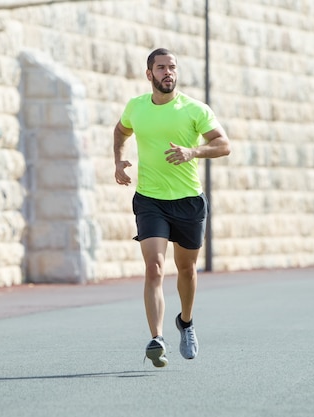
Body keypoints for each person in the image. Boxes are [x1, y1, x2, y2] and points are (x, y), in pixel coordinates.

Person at [113, 48, 231, 367]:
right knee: (154, 268)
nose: (168, 72)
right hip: (150, 200)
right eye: (161, 67)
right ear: (149, 74)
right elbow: (121, 130)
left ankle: (186, 322)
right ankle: (157, 338)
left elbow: (224, 145)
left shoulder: (194, 109)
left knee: (187, 269)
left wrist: (193, 152)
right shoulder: (136, 107)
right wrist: (118, 161)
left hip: (188, 201)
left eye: (173, 67)